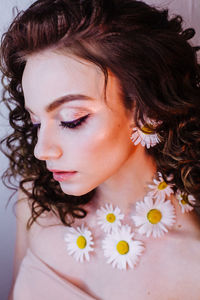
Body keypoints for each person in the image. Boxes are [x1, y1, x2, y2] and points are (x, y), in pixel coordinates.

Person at [1, 0, 200, 299]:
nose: (42, 150)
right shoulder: (35, 202)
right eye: (36, 121)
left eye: (72, 120)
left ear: (146, 109)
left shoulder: (193, 262)